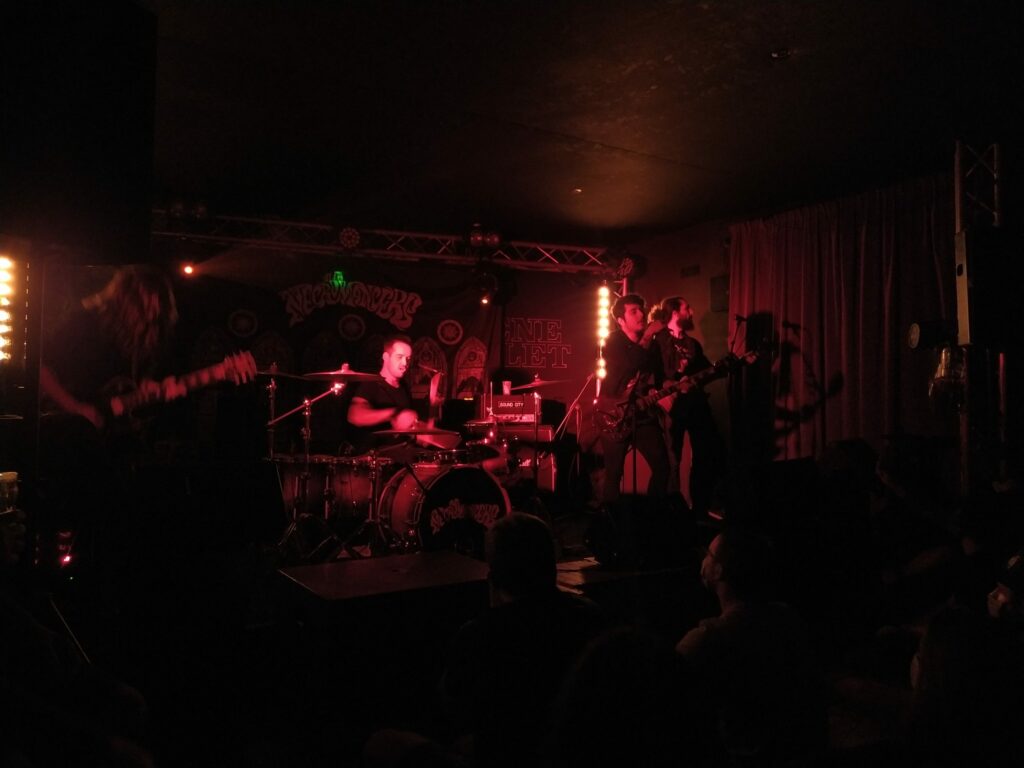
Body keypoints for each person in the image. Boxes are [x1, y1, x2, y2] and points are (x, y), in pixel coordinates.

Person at [676, 526, 828, 766]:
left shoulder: (707, 640)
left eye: (709, 554)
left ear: (719, 570)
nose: (703, 559)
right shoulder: (787, 618)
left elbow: (667, 690)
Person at [651, 295, 724, 516]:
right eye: (687, 308)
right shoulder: (657, 341)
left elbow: (707, 373)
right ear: (675, 313)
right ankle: (668, 511)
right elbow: (651, 374)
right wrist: (668, 385)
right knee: (672, 458)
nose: (691, 312)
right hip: (671, 408)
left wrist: (728, 366)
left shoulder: (693, 344)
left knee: (706, 453)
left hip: (695, 405)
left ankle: (699, 509)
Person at [594, 293, 669, 507]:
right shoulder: (612, 342)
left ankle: (652, 514)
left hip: (642, 414)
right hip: (614, 416)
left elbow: (657, 377)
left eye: (641, 310)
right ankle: (611, 518)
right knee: (614, 472)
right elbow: (630, 364)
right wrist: (647, 336)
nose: (641, 315)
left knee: (663, 466)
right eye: (633, 312)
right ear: (620, 320)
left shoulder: (653, 346)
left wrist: (668, 388)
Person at [346, 334, 449, 456]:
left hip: (402, 453)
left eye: (408, 358)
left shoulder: (404, 386)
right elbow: (354, 416)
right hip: (377, 457)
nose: (405, 363)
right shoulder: (371, 384)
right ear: (386, 357)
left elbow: (407, 425)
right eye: (399, 357)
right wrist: (393, 414)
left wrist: (427, 424)